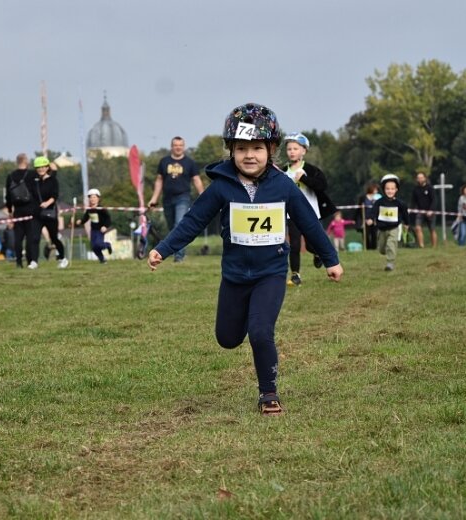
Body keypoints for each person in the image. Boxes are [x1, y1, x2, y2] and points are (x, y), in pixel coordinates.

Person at [147, 103, 343, 415]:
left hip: (271, 273)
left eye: (256, 148)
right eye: (241, 149)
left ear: (272, 149)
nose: (249, 155)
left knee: (261, 331)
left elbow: (308, 222)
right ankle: (244, 348)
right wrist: (164, 249)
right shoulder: (221, 187)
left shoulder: (283, 186)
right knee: (226, 338)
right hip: (235, 277)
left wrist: (330, 258)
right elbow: (193, 221)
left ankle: (269, 392)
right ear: (230, 151)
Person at [279, 132, 336, 286]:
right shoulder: (283, 171)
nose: (292, 151)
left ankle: (318, 254)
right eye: (289, 149)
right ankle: (295, 275)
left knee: (312, 244)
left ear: (304, 151)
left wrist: (303, 178)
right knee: (294, 245)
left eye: (295, 148)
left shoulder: (311, 170)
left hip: (311, 214)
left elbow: (322, 186)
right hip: (292, 214)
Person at [147, 136, 205, 263]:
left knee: (179, 224)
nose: (178, 147)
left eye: (180, 145)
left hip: (183, 198)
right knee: (172, 227)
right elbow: (159, 180)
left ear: (183, 147)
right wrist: (154, 199)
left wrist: (203, 196)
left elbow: (196, 180)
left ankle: (179, 257)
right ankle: (174, 252)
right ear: (172, 147)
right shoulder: (164, 161)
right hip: (167, 198)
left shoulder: (189, 163)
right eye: (175, 145)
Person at [32, 156, 68, 268]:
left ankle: (63, 258)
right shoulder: (35, 181)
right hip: (37, 214)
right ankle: (34, 261)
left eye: (43, 167)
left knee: (54, 238)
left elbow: (54, 195)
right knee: (34, 237)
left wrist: (47, 203)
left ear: (47, 167)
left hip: (50, 213)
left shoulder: (53, 180)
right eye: (38, 167)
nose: (41, 169)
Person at [5, 153, 39, 269]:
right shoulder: (31, 174)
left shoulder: (10, 176)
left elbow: (8, 196)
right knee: (30, 237)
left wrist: (10, 210)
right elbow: (36, 192)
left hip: (18, 211)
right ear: (25, 161)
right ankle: (30, 260)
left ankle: (19, 262)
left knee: (18, 238)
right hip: (30, 209)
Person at [368, 174, 409, 271]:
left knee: (391, 243)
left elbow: (405, 214)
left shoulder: (400, 203)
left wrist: (406, 224)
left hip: (394, 228)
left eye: (392, 189)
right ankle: (387, 251)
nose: (390, 191)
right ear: (384, 189)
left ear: (396, 190)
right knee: (382, 249)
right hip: (381, 229)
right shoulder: (379, 202)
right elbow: (373, 211)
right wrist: (370, 218)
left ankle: (390, 263)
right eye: (387, 189)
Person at [75, 188, 112, 263]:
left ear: (98, 198)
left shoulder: (101, 209)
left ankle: (107, 245)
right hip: (93, 230)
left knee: (98, 244)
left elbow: (108, 219)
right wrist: (80, 222)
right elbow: (85, 218)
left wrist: (105, 226)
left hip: (100, 230)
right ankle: (102, 260)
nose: (92, 199)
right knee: (94, 247)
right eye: (91, 197)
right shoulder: (89, 209)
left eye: (94, 197)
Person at [411, 171, 438, 248]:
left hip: (430, 212)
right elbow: (413, 201)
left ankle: (434, 246)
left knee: (432, 229)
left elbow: (434, 200)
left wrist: (431, 210)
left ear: (425, 178)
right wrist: (411, 209)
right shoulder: (415, 189)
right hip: (420, 212)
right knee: (418, 227)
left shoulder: (430, 188)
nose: (420, 179)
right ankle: (421, 245)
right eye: (418, 178)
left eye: (421, 177)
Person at [355, 182, 380, 250]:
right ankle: (367, 248)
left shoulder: (378, 198)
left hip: (374, 219)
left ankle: (374, 248)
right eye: (375, 189)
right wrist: (361, 220)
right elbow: (359, 210)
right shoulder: (363, 198)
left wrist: (372, 219)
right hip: (364, 219)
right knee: (366, 235)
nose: (376, 191)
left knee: (374, 234)